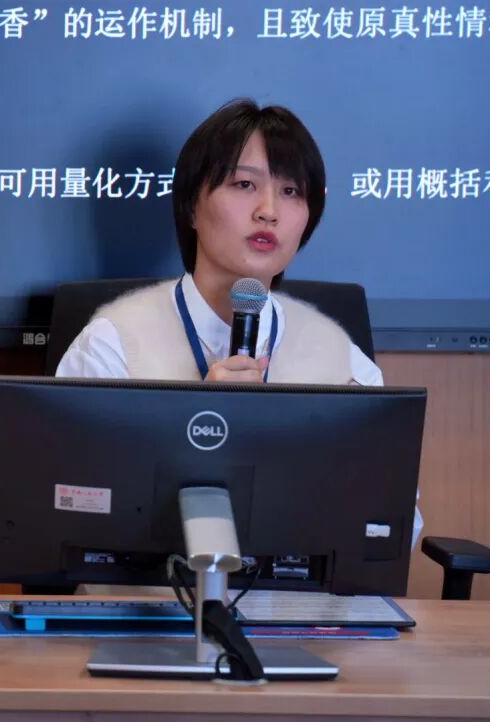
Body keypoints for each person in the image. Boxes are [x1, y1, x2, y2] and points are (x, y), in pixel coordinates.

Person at [56, 98, 422, 553]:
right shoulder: (111, 345)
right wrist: (193, 431)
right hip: (150, 595)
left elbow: (394, 528)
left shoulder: (340, 362)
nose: (269, 210)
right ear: (191, 206)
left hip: (288, 597)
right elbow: (68, 512)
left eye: (292, 191)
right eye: (245, 184)